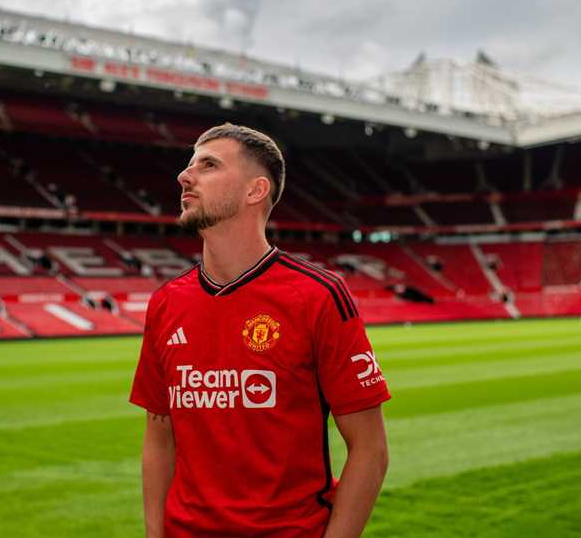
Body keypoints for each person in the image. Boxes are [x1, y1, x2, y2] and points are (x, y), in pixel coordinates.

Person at [129, 123, 390, 537]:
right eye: (190, 164)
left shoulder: (318, 295)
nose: (184, 176)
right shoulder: (166, 303)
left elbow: (370, 449)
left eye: (208, 165)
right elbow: (159, 438)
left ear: (256, 190)